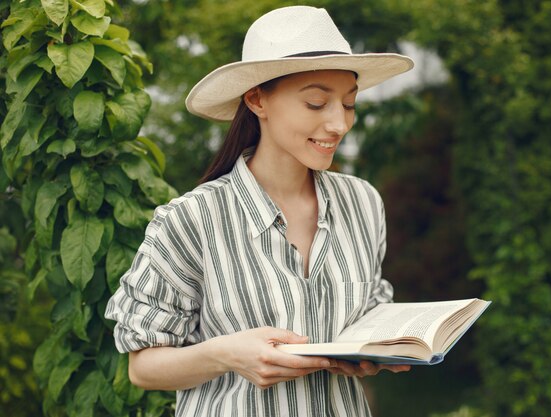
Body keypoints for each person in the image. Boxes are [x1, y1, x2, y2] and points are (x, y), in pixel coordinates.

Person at [105, 5, 415, 416]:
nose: (339, 124)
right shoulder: (192, 219)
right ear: (257, 100)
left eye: (349, 104)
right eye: (317, 103)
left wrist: (380, 349)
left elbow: (368, 318)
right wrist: (226, 354)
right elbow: (142, 368)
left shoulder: (363, 203)